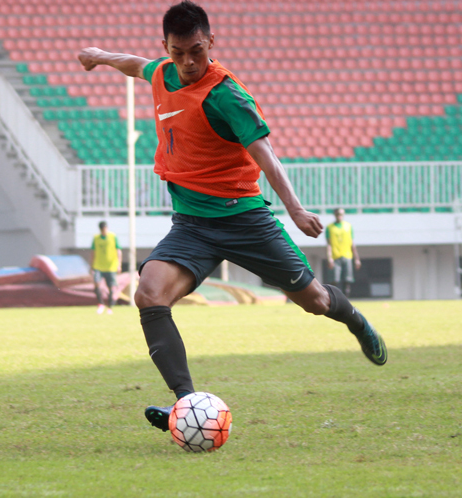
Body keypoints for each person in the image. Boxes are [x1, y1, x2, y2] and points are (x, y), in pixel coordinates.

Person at [78, 0, 386, 434]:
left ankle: (356, 321)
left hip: (245, 221)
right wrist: (99, 56)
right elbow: (136, 65)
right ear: (166, 47)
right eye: (178, 52)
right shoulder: (164, 71)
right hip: (191, 226)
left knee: (314, 301)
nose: (187, 62)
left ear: (212, 43)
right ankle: (187, 405)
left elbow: (266, 154)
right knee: (149, 295)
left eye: (197, 52)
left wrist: (294, 207)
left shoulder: (226, 95)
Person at [325, 208, 360, 296]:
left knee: (347, 280)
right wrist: (329, 258)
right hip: (335, 256)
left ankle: (346, 299)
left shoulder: (348, 226)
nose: (339, 216)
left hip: (347, 256)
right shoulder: (330, 227)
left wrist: (357, 259)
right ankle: (335, 298)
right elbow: (329, 244)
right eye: (338, 214)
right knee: (334, 280)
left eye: (341, 214)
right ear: (335, 215)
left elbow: (352, 243)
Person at [91, 221, 122, 314]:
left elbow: (118, 250)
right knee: (96, 283)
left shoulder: (113, 236)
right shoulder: (96, 238)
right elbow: (93, 252)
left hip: (111, 266)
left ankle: (110, 307)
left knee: (111, 287)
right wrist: (91, 265)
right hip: (98, 266)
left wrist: (119, 264)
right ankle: (101, 303)